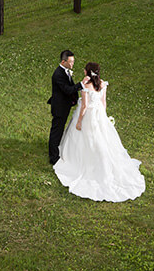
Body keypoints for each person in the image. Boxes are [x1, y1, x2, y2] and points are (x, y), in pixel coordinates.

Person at [53, 62, 145, 202]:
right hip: (99, 115)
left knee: (85, 139)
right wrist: (103, 117)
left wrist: (79, 121)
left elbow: (84, 106)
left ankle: (82, 163)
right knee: (102, 140)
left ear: (87, 72)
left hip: (88, 116)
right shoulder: (102, 84)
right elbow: (103, 103)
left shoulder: (86, 86)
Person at [48, 50, 80, 165]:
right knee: (56, 131)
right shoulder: (58, 74)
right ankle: (53, 157)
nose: (72, 64)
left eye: (73, 62)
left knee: (59, 130)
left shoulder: (65, 71)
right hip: (59, 108)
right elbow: (67, 90)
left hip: (64, 106)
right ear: (63, 61)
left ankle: (56, 151)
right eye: (70, 62)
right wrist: (80, 85)